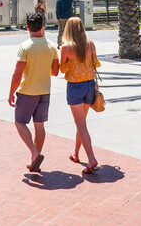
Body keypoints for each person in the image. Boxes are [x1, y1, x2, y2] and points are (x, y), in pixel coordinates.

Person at [8, 13, 59, 173]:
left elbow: (17, 74)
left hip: (28, 91)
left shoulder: (25, 47)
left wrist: (11, 93)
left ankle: (34, 153)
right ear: (43, 26)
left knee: (19, 122)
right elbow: (55, 72)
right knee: (39, 125)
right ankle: (34, 159)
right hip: (45, 90)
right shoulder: (51, 46)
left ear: (27, 27)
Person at [58, 17, 100, 173]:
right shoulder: (90, 44)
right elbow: (96, 63)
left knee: (81, 124)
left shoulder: (66, 47)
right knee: (81, 123)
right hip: (89, 86)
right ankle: (76, 153)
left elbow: (62, 70)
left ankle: (91, 159)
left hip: (75, 87)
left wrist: (70, 62)